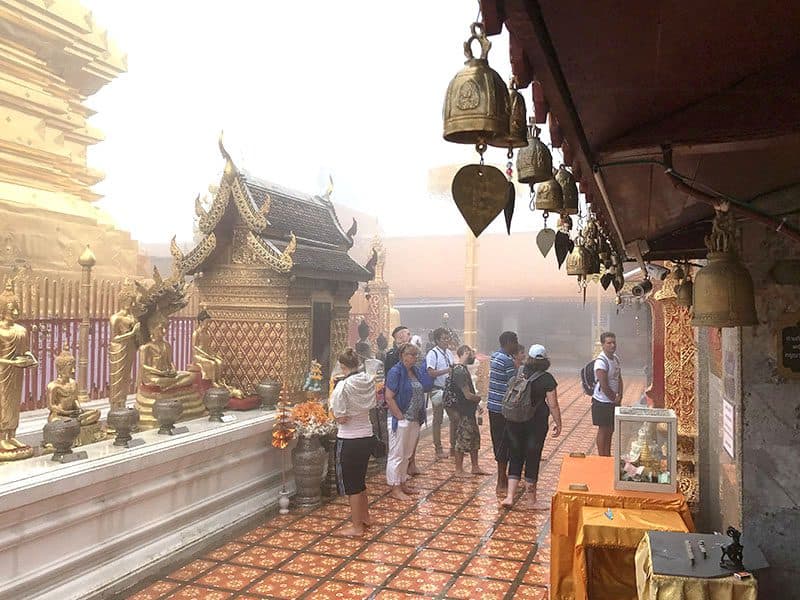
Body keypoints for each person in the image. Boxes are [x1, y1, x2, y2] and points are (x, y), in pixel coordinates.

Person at [501, 344, 562, 509]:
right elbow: (553, 404)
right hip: (536, 423)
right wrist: (558, 422)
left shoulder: (520, 371)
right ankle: (531, 500)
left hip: (514, 421)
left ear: (529, 357)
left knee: (515, 456)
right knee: (532, 457)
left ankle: (509, 497)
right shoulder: (547, 379)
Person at [330, 348, 377, 536]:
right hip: (366, 435)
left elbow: (341, 418)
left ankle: (357, 527)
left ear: (342, 367)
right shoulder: (367, 379)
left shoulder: (343, 386)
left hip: (349, 439)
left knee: (352, 485)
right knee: (361, 479)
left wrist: (334, 412)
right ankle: (365, 517)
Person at [385, 343, 433, 500]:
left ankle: (402, 482)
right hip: (401, 418)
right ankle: (394, 487)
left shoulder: (416, 371)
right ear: (402, 355)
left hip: (414, 418)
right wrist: (399, 415)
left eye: (415, 355)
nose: (413, 358)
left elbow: (425, 386)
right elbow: (389, 396)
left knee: (407, 454)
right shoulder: (396, 372)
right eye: (410, 354)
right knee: (397, 454)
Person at [488, 331, 519, 495]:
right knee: (504, 443)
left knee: (498, 441)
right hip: (503, 408)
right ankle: (501, 479)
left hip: (493, 406)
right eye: (515, 343)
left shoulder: (495, 356)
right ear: (508, 343)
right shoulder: (506, 360)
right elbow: (513, 384)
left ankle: (504, 477)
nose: (516, 346)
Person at [451, 345, 488, 477]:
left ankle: (475, 466)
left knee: (474, 438)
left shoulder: (463, 369)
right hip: (463, 410)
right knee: (462, 439)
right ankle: (459, 469)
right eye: (471, 353)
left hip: (469, 409)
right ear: (465, 353)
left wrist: (477, 404)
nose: (473, 356)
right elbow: (467, 395)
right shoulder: (459, 371)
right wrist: (478, 398)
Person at [426, 327, 455, 460]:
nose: (446, 341)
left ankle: (454, 447)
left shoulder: (449, 352)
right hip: (437, 390)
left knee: (454, 418)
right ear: (437, 340)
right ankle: (438, 449)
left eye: (447, 338)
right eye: (443, 338)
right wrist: (446, 371)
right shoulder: (433, 354)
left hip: (449, 389)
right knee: (437, 419)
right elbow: (431, 372)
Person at [592, 331, 623, 457]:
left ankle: (607, 454)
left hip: (613, 400)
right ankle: (601, 456)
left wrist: (620, 394)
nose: (612, 345)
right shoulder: (601, 362)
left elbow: (618, 377)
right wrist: (613, 398)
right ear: (603, 345)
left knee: (611, 429)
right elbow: (604, 385)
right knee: (603, 429)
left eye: (614, 342)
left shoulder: (615, 358)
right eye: (609, 343)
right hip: (602, 401)